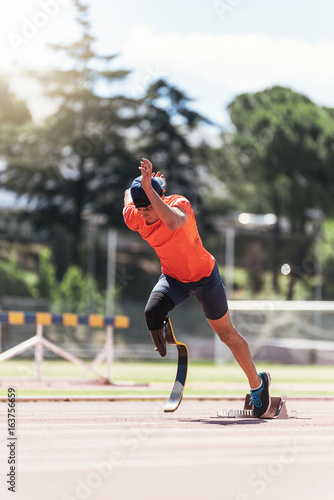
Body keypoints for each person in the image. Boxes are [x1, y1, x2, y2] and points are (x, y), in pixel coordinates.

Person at [123, 158, 271, 417]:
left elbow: (173, 223)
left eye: (148, 206)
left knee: (227, 336)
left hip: (204, 278)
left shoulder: (179, 205)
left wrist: (151, 189)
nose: (144, 213)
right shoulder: (133, 216)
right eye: (141, 208)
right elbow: (128, 195)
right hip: (173, 278)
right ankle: (166, 343)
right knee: (152, 313)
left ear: (160, 198)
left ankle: (258, 385)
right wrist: (148, 185)